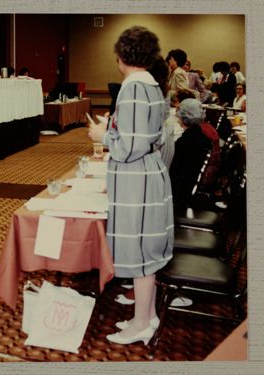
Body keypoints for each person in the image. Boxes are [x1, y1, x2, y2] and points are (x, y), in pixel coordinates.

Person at [88, 26, 173, 346]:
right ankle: (146, 316)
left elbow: (129, 146)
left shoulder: (133, 87)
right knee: (146, 254)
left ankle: (140, 324)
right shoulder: (153, 85)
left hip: (136, 176)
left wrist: (103, 136)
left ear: (122, 55)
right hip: (147, 172)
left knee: (139, 254)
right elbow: (153, 136)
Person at [168, 98, 212, 209]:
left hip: (179, 194)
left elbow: (173, 173)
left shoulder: (184, 143)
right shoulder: (204, 139)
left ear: (182, 117)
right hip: (190, 187)